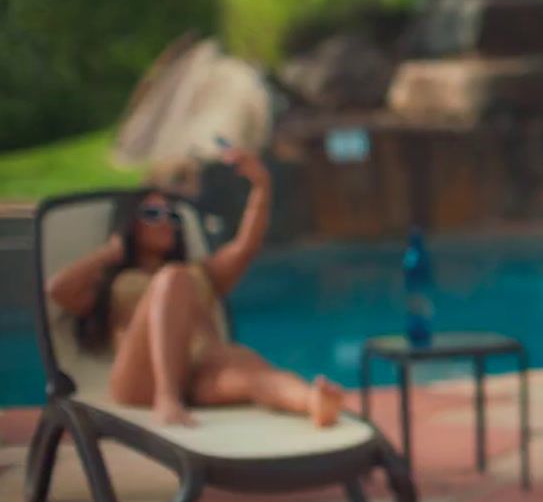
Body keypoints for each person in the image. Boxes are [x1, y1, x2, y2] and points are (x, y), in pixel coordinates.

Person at [47, 148, 345, 427]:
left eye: (172, 216)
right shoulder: (112, 282)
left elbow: (246, 246)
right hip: (142, 382)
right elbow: (58, 290)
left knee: (254, 372)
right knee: (174, 277)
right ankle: (167, 398)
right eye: (153, 215)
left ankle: (315, 401)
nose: (166, 222)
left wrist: (261, 186)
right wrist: (110, 252)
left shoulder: (201, 272)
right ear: (130, 225)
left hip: (201, 376)